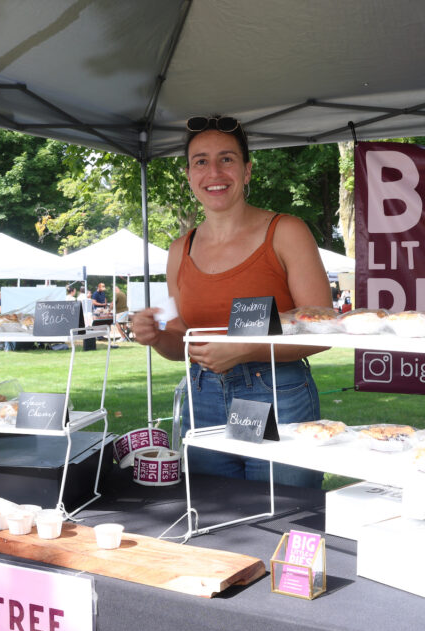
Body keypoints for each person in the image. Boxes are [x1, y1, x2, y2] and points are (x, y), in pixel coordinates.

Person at [132, 114, 332, 488]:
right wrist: (157, 337)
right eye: (201, 161)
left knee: (281, 511)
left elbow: (322, 327)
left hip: (274, 391)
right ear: (189, 175)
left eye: (227, 159)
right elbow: (181, 341)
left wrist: (244, 349)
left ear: (247, 171)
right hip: (203, 393)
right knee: (211, 512)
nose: (214, 172)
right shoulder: (180, 249)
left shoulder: (286, 231)